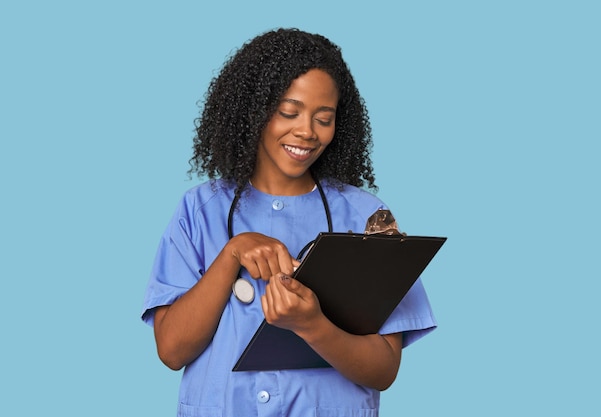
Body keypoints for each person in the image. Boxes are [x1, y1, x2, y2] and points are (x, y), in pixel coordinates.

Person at [142, 28, 436, 416]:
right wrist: (231, 255)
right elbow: (172, 350)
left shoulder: (367, 217)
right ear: (254, 109)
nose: (306, 131)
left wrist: (313, 324)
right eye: (288, 112)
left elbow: (383, 369)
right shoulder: (200, 210)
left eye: (324, 118)